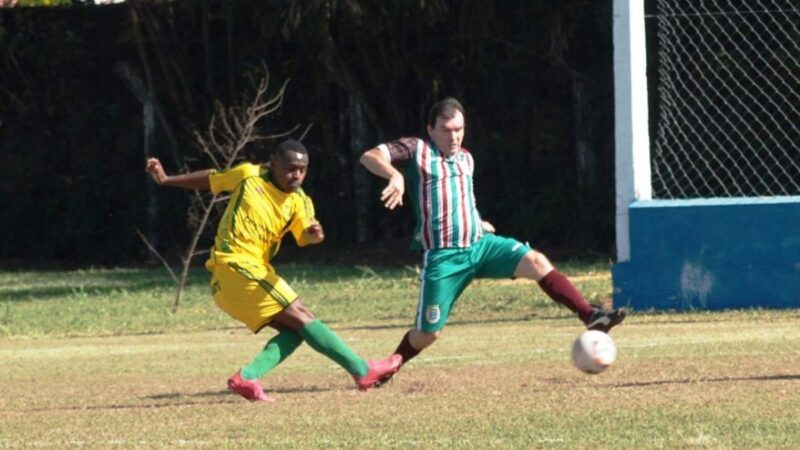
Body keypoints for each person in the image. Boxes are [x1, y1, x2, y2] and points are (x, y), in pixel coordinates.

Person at [359, 97, 626, 384]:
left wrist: (477, 221)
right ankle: (392, 363)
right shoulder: (417, 150)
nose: (454, 136)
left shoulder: (466, 158)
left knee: (535, 261)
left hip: (481, 245)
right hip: (445, 258)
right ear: (431, 129)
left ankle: (591, 316)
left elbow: (463, 199)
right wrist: (394, 176)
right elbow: (370, 156)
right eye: (447, 130)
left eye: (459, 129)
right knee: (427, 334)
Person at [145, 139, 401, 402]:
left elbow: (305, 235)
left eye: (303, 169)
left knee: (296, 330)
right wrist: (166, 180)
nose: (297, 175)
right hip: (235, 265)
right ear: (273, 163)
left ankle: (248, 376)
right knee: (301, 314)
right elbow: (213, 179)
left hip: (246, 275)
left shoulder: (300, 202)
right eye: (291, 168)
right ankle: (362, 370)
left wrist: (315, 234)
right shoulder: (249, 176)